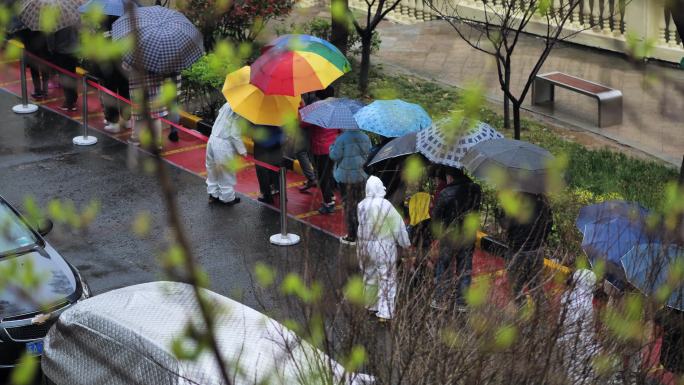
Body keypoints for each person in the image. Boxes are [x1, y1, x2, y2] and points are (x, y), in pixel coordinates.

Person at [357, 176, 410, 321]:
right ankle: (385, 313)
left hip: (365, 246)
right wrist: (406, 244)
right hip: (383, 247)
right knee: (387, 279)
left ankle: (370, 305)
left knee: (369, 276)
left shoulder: (361, 205)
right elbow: (398, 227)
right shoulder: (386, 205)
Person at [431, 167, 482, 311]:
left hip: (449, 235)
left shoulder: (446, 192)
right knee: (465, 267)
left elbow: (436, 216)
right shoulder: (476, 189)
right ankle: (462, 302)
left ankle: (441, 299)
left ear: (450, 177)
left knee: (445, 266)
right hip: (468, 234)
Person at [498, 192, 553, 301]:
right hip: (537, 250)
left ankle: (521, 312)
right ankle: (542, 312)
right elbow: (549, 225)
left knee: (515, 287)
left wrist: (501, 213)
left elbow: (505, 225)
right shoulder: (543, 203)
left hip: (517, 250)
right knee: (535, 285)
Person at [329, 128, 371, 244]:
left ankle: (352, 236)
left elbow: (334, 156)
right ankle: (362, 233)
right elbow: (368, 155)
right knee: (361, 204)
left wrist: (332, 147)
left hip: (345, 177)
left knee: (349, 205)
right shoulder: (365, 137)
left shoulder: (342, 138)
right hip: (361, 176)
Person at [558, 269, 599, 384]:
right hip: (577, 343)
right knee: (576, 374)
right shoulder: (586, 303)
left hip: (564, 339)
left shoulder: (567, 295)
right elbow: (585, 329)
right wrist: (593, 348)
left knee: (567, 371)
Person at [304, 86, 338, 214]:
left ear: (318, 95)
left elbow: (303, 122)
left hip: (320, 148)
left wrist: (302, 106)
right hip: (333, 146)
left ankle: (328, 202)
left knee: (322, 176)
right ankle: (331, 194)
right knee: (329, 172)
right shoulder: (336, 108)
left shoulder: (316, 108)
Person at [205, 103, 246, 205]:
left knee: (212, 169)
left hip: (212, 138)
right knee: (226, 172)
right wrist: (242, 151)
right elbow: (234, 134)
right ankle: (227, 198)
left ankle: (213, 194)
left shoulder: (228, 103)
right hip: (224, 143)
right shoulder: (241, 110)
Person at [125, 63, 167, 148]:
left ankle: (136, 139)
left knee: (138, 116)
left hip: (138, 89)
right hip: (155, 90)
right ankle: (157, 142)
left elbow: (126, 67)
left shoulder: (134, 54)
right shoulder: (159, 54)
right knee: (155, 117)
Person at [47, 26, 79, 111]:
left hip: (61, 52)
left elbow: (50, 38)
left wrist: (51, 49)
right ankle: (73, 97)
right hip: (73, 51)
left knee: (64, 77)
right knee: (72, 74)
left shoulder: (56, 21)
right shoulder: (72, 18)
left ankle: (69, 103)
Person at [15, 28, 51, 100]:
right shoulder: (43, 24)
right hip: (44, 51)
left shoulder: (26, 26)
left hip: (32, 52)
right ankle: (45, 91)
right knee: (45, 71)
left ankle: (38, 91)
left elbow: (21, 37)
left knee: (34, 71)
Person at [252, 124, 284, 204]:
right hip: (276, 142)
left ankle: (267, 196)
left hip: (261, 144)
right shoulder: (277, 113)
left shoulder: (258, 115)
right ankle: (280, 191)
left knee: (262, 171)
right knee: (276, 167)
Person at [296, 92, 318, 191]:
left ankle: (312, 178)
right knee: (311, 153)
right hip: (315, 131)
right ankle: (315, 178)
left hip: (307, 129)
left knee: (300, 152)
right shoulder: (313, 94)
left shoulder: (312, 98)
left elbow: (303, 122)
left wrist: (301, 109)